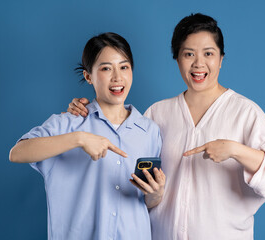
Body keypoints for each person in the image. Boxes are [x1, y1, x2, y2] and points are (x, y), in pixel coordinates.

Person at [67, 14, 265, 240]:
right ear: (177, 59)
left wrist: (234, 150)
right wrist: (85, 112)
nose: (198, 64)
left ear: (221, 59)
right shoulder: (157, 114)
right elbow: (123, 163)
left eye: (208, 54)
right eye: (189, 54)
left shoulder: (245, 112)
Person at [9, 32, 166, 240]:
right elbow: (17, 153)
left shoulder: (150, 131)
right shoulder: (68, 123)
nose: (117, 77)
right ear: (88, 76)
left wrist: (155, 195)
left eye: (124, 67)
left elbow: (146, 202)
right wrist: (79, 138)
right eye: (106, 68)